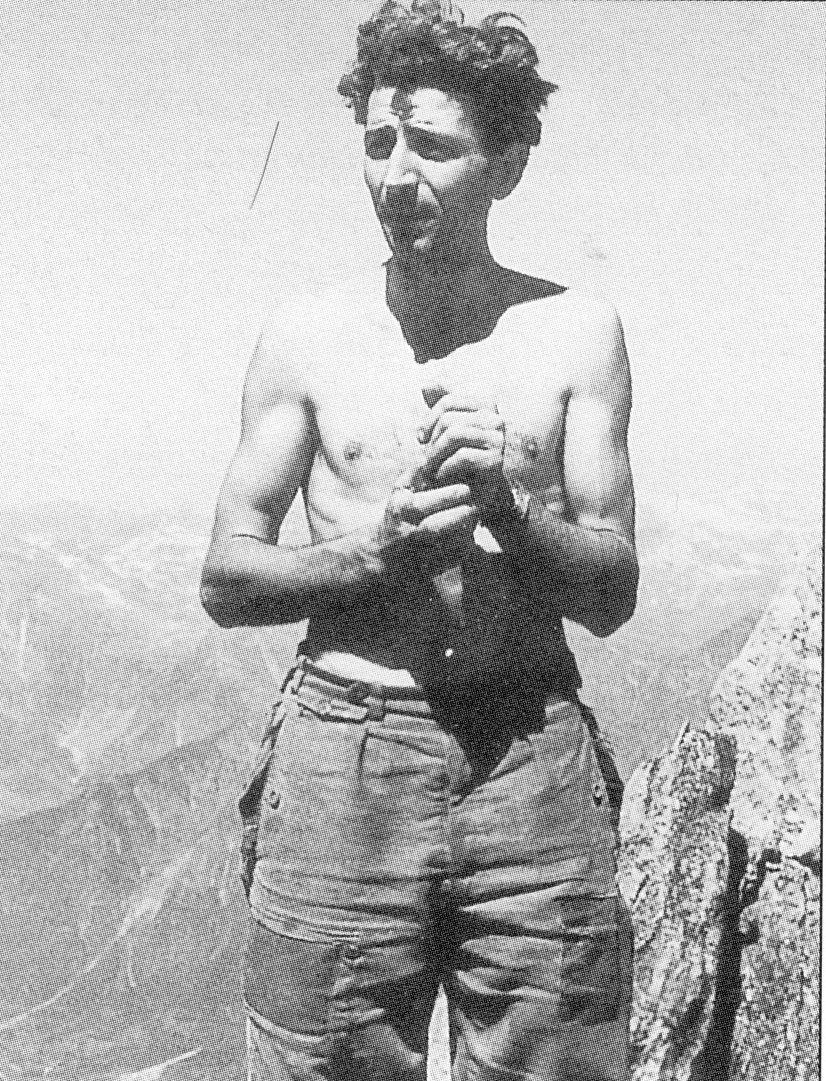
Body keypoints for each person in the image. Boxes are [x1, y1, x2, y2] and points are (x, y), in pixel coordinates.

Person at [201, 2, 638, 1078]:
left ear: (508, 165)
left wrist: (507, 509)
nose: (396, 176)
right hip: (344, 754)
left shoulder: (577, 333)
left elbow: (612, 588)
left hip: (529, 759)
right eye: (378, 144)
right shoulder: (305, 334)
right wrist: (376, 554)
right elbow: (226, 573)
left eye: (433, 147)